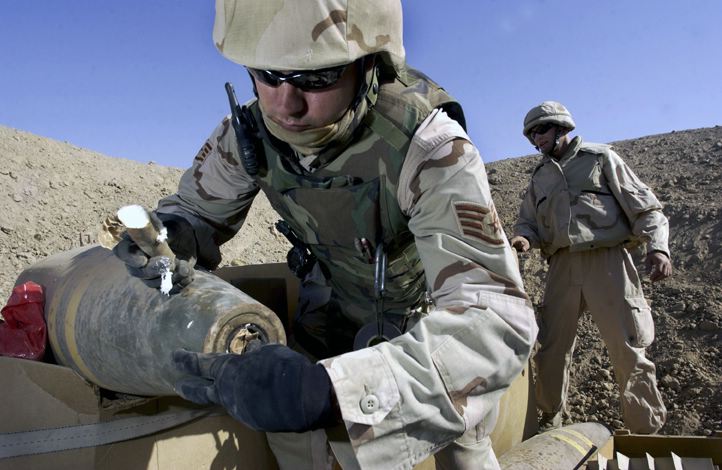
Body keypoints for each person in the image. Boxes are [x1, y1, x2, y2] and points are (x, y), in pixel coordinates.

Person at [115, 1, 537, 468]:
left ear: (369, 64)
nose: (286, 103)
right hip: (330, 308)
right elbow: (196, 209)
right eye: (268, 74)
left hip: (427, 329)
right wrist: (176, 233)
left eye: (316, 78)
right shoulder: (248, 134)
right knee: (294, 440)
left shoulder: (429, 146)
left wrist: (328, 394)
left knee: (464, 444)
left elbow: (496, 321)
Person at [510, 101, 671, 434]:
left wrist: (658, 247)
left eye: (541, 130)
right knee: (552, 349)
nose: (537, 139)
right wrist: (523, 239)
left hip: (607, 261)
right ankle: (550, 420)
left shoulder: (600, 158)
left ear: (561, 127)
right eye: (531, 135)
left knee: (628, 345)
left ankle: (646, 429)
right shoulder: (540, 177)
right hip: (561, 266)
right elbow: (528, 222)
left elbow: (646, 209)